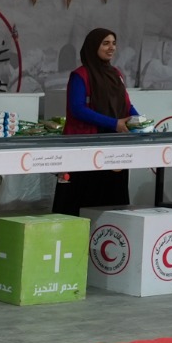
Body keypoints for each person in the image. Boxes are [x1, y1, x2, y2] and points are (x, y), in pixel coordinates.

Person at [52, 26, 139, 216]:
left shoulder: (116, 75)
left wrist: (140, 122)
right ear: (93, 46)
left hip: (114, 147)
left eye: (114, 43)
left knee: (111, 201)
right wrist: (114, 123)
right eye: (105, 43)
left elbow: (126, 105)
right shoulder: (80, 75)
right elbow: (77, 109)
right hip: (85, 146)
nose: (111, 47)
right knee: (80, 200)